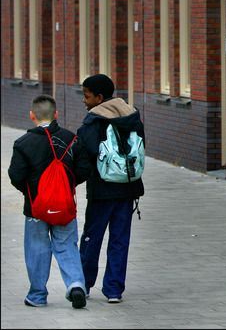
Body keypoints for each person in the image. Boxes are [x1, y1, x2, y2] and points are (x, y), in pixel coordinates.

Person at [8, 94, 91, 309]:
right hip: (64, 206)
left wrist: (31, 193)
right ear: (56, 114)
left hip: (36, 208)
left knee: (37, 248)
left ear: (31, 115)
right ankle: (76, 285)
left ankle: (37, 296)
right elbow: (84, 170)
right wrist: (64, 188)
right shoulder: (72, 139)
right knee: (67, 246)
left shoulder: (23, 143)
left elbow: (16, 175)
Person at [77, 74, 144, 304]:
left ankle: (83, 284)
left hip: (101, 192)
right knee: (120, 239)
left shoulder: (92, 122)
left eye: (86, 96)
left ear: (99, 97)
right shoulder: (132, 117)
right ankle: (114, 289)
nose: (84, 101)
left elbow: (86, 157)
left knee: (91, 238)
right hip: (127, 190)